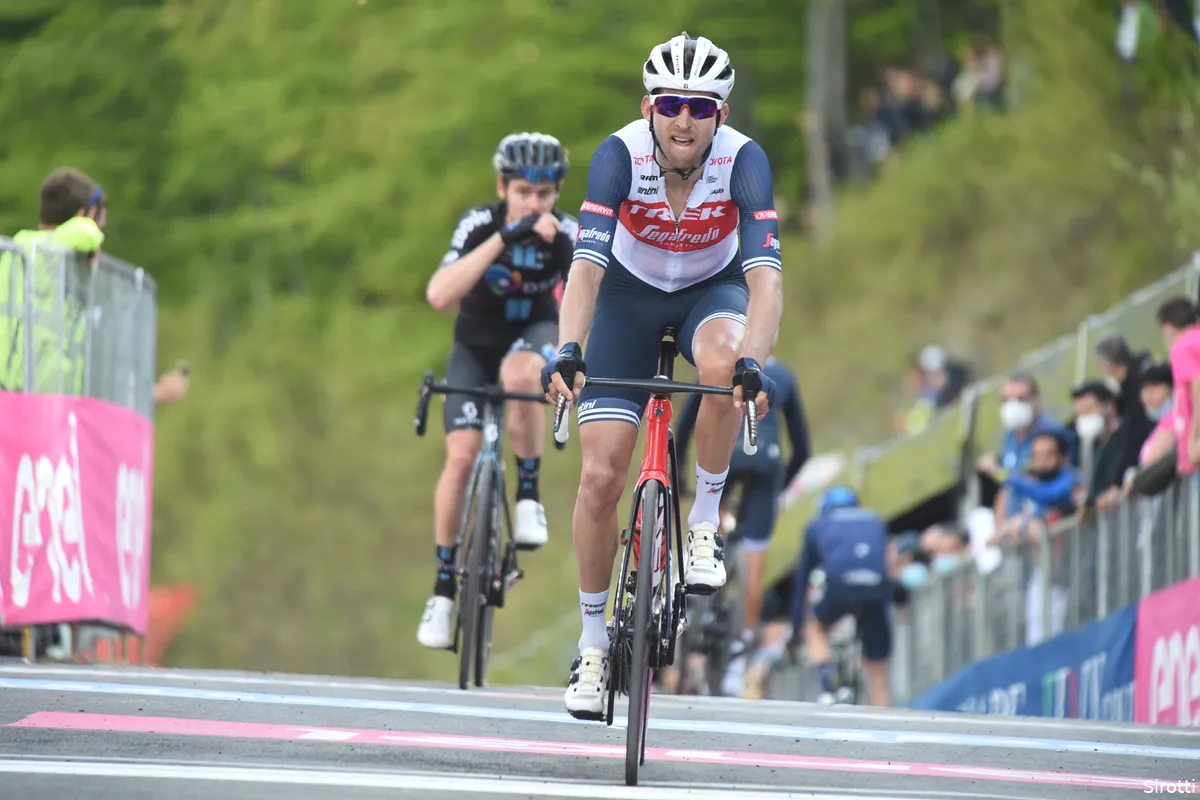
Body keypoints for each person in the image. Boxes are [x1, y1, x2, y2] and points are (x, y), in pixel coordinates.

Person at [540, 32, 784, 719]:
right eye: (672, 104)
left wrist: (753, 364)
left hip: (712, 291)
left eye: (700, 107)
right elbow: (585, 268)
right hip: (626, 296)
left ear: (722, 115)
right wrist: (567, 348)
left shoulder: (745, 162)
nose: (684, 119)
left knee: (722, 363)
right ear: (649, 106)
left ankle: (703, 520)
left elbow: (765, 280)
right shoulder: (618, 155)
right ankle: (591, 646)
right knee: (599, 477)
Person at [416, 132, 578, 650]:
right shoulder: (480, 223)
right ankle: (443, 590)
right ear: (503, 186)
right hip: (474, 348)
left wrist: (563, 246)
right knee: (460, 458)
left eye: (545, 194)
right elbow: (439, 294)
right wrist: (507, 237)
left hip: (534, 339)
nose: (535, 204)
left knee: (518, 375)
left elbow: (590, 302)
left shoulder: (566, 230)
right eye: (525, 192)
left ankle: (528, 492)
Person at [672, 354, 810, 695]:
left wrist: (680, 477)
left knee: (709, 519)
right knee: (755, 551)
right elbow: (803, 448)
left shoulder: (716, 364)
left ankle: (698, 581)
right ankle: (739, 654)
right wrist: (780, 486)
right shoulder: (783, 374)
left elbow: (687, 425)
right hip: (769, 461)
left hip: (728, 454)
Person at [790, 486, 892, 707]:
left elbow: (802, 582)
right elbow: (885, 563)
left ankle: (828, 683)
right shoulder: (875, 521)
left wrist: (797, 625)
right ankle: (885, 722)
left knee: (815, 626)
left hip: (839, 587)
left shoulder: (817, 525)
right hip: (876, 589)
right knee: (878, 672)